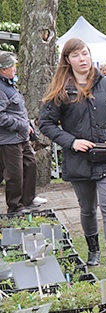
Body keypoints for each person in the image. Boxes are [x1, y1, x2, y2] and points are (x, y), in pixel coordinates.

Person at [38, 38, 106, 275]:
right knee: (88, 208)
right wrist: (72, 142)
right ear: (67, 60)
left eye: (86, 54)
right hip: (80, 161)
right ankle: (93, 251)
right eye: (77, 55)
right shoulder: (61, 90)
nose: (83, 59)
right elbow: (46, 124)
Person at [0, 51, 48, 214]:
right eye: (11, 66)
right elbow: (1, 117)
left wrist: (27, 126)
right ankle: (15, 208)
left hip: (21, 136)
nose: (15, 68)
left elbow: (17, 111)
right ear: (2, 69)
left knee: (31, 164)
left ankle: (28, 199)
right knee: (15, 174)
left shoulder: (9, 85)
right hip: (8, 140)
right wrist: (22, 125)